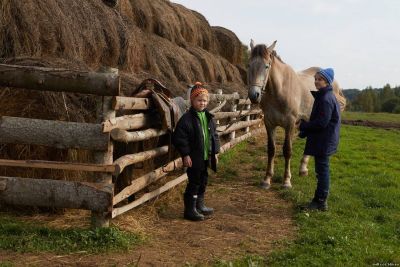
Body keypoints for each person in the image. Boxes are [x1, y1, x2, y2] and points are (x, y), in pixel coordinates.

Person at [172, 82, 220, 221]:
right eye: (199, 100)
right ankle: (190, 210)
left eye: (205, 101)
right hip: (194, 157)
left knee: (203, 180)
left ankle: (200, 205)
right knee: (194, 182)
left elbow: (214, 136)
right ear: (192, 101)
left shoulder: (208, 117)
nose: (202, 103)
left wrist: (215, 153)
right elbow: (180, 138)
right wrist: (185, 154)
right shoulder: (186, 119)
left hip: (206, 157)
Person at [298, 68, 341, 211]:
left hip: (324, 141)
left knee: (322, 171)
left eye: (320, 79)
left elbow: (322, 123)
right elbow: (319, 120)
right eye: (315, 79)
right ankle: (319, 200)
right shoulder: (323, 96)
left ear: (327, 81)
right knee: (321, 170)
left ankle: (320, 202)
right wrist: (305, 130)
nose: (316, 82)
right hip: (323, 140)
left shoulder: (326, 99)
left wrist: (304, 125)